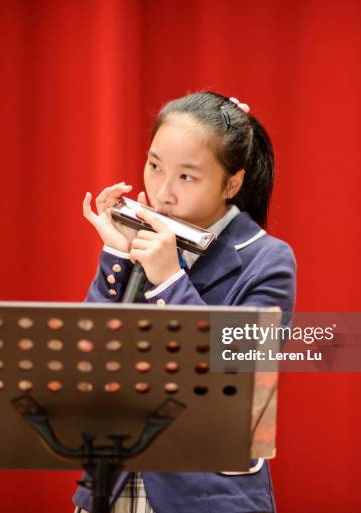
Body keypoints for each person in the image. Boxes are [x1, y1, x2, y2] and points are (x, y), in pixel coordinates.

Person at [73, 91, 296, 513]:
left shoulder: (267, 259)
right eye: (155, 166)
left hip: (207, 495)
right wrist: (117, 256)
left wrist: (169, 279)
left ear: (232, 182)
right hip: (114, 485)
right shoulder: (143, 240)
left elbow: (233, 376)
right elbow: (89, 355)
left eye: (187, 177)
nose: (163, 193)